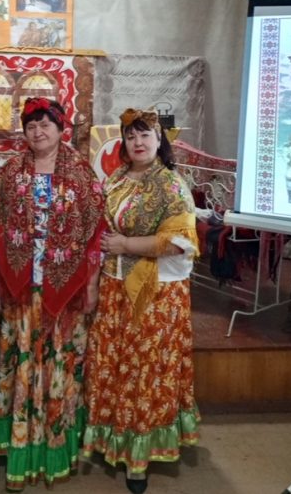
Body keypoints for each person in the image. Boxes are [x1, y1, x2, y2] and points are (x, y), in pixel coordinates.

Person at [0, 97, 106, 490]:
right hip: (21, 287)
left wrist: (91, 283)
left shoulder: (82, 174)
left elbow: (96, 233)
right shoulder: (9, 173)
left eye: (45, 124)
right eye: (31, 125)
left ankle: (57, 447)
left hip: (66, 288)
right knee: (22, 363)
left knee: (61, 366)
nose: (38, 132)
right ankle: (22, 447)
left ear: (60, 129)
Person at [82, 108, 200, 494]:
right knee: (116, 366)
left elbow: (181, 242)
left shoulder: (171, 185)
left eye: (145, 135)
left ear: (159, 140)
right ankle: (114, 438)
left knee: (145, 372)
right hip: (116, 287)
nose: (138, 142)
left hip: (156, 293)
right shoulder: (117, 178)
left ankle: (140, 458)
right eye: (131, 136)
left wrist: (127, 245)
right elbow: (102, 232)